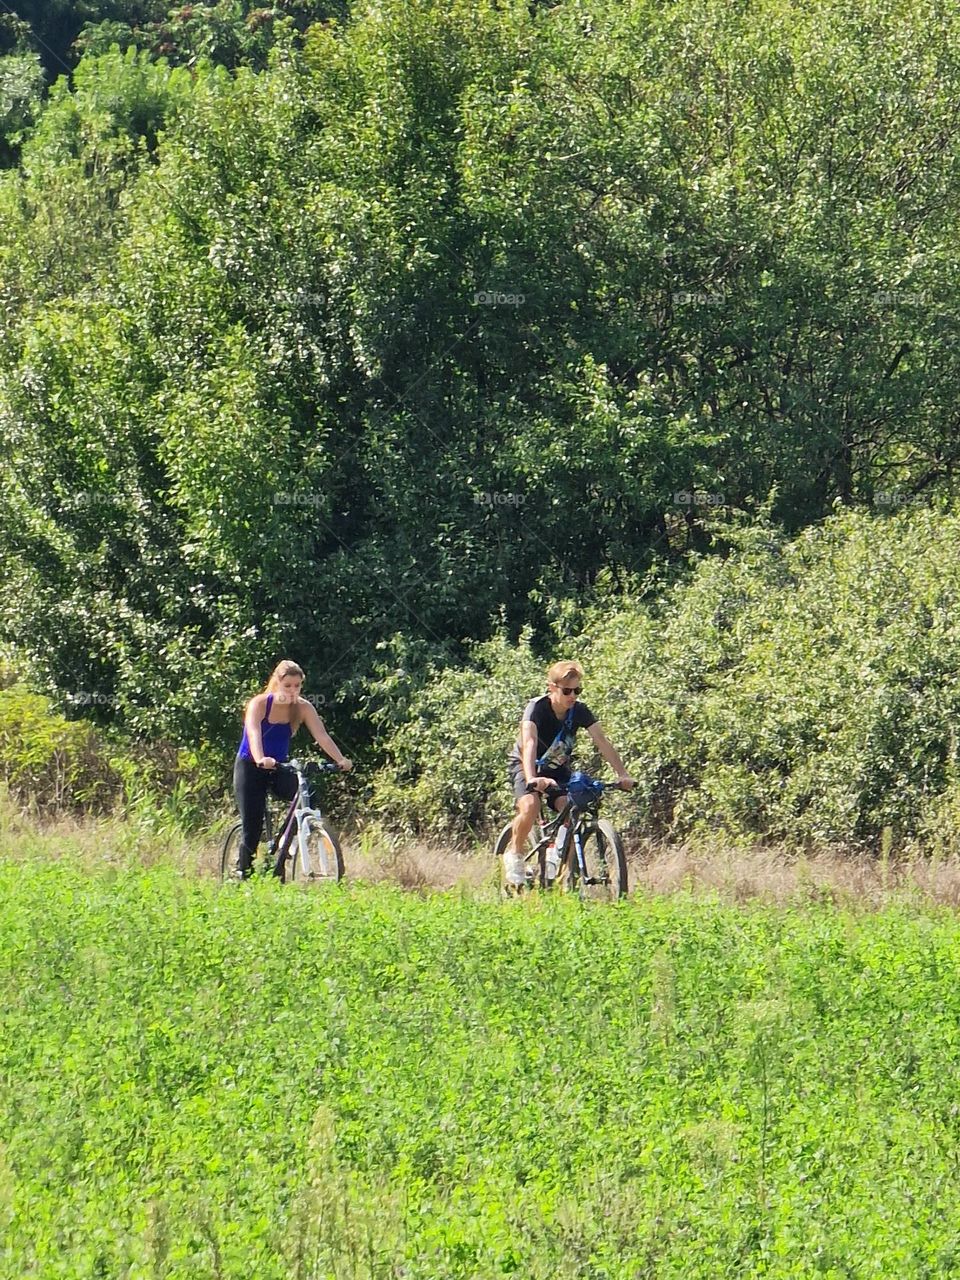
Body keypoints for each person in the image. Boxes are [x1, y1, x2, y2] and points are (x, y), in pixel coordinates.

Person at [504, 660, 635, 887]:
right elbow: (529, 742)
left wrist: (622, 774)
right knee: (530, 806)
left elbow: (602, 742)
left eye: (577, 690)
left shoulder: (580, 711)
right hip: (526, 763)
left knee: (572, 805)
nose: (572, 695)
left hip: (556, 768)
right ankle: (514, 854)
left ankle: (558, 859)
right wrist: (533, 778)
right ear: (551, 687)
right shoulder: (536, 708)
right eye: (567, 690)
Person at [233, 659, 352, 877]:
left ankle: (287, 847)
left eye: (297, 686)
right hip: (251, 765)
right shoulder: (259, 704)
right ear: (277, 683)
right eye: (288, 685)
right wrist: (260, 758)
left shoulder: (304, 707)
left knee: (307, 796)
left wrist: (340, 759)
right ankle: (242, 874)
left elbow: (322, 736)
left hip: (279, 766)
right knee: (252, 826)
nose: (293, 690)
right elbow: (253, 733)